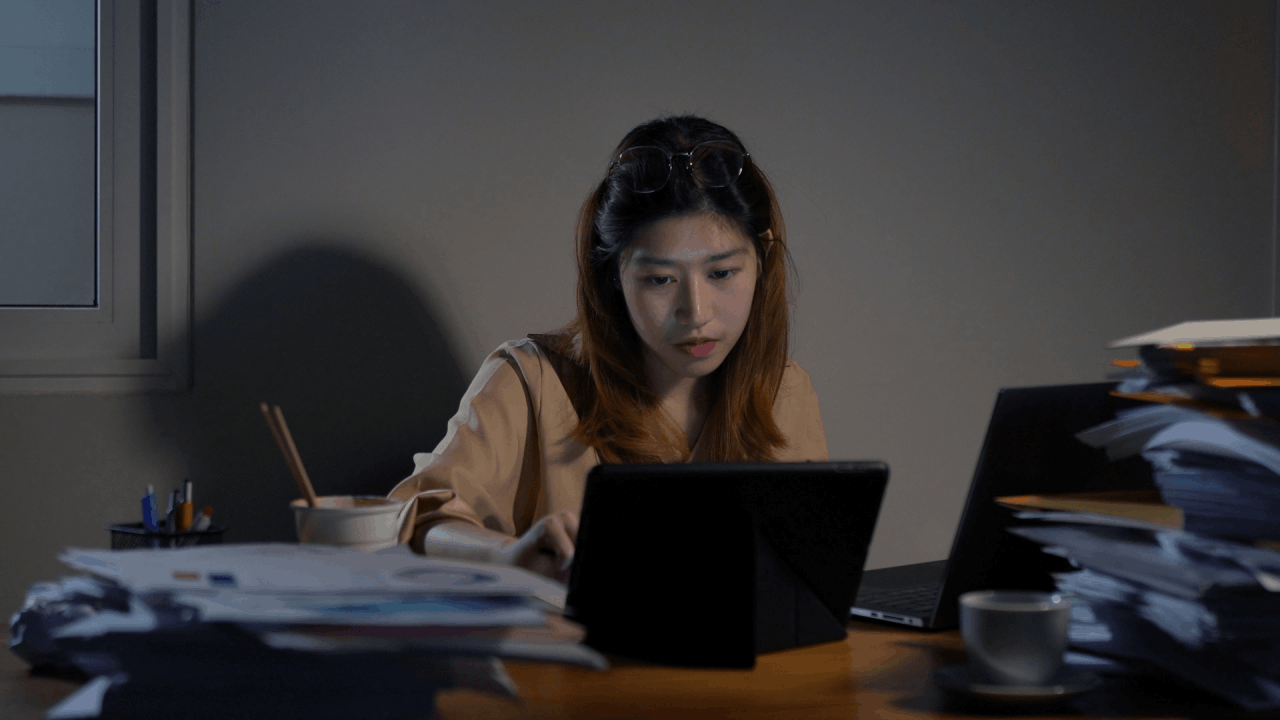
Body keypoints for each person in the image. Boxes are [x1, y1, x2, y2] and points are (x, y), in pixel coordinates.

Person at [388, 115, 828, 581]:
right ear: (614, 277)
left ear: (762, 258)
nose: (695, 312)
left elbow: (807, 572)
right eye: (660, 279)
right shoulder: (532, 379)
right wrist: (508, 557)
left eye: (721, 273)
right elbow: (415, 521)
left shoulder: (785, 390)